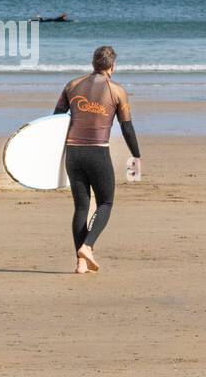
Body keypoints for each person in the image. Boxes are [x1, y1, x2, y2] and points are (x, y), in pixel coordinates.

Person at [53, 46, 142, 274]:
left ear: (93, 63)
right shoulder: (117, 91)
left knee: (81, 207)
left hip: (73, 154)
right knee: (105, 203)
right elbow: (127, 128)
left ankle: (80, 263)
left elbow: (55, 121)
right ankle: (87, 247)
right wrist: (136, 155)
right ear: (112, 66)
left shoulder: (72, 85)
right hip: (98, 153)